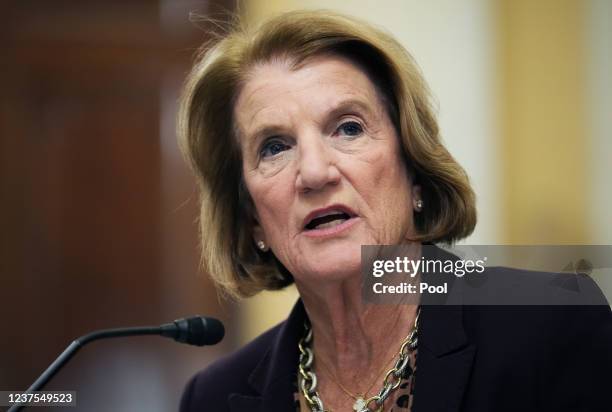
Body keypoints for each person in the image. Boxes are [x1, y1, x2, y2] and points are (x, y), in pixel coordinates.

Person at [177, 10, 612, 412]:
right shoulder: (212, 398)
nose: (313, 172)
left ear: (415, 174)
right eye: (274, 147)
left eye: (348, 128)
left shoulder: (552, 324)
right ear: (253, 218)